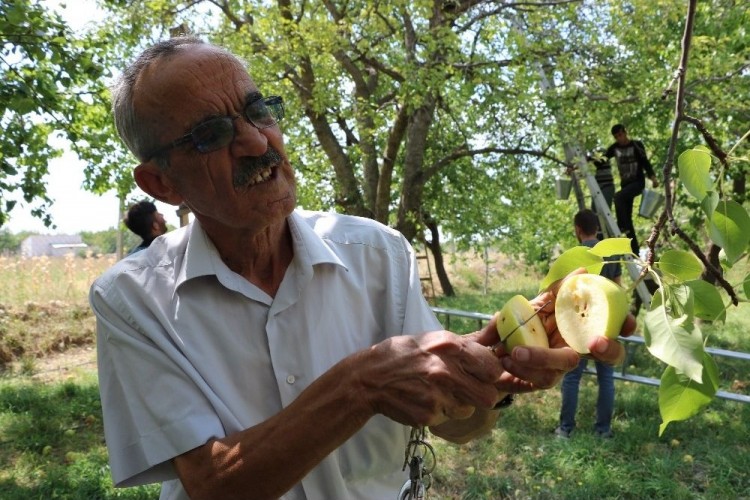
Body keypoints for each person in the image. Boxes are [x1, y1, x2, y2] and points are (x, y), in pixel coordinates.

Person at [90, 36, 635, 499]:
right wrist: (361, 384)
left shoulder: (378, 253)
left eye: (258, 111)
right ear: (161, 183)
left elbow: (454, 425)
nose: (258, 142)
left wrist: (493, 374)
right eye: (211, 134)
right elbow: (212, 484)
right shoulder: (132, 298)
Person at [555, 209, 624, 440]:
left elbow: (566, 292)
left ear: (578, 229)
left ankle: (566, 428)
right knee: (606, 378)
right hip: (607, 324)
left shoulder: (576, 254)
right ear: (597, 227)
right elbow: (618, 288)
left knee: (572, 377)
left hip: (579, 322)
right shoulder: (612, 254)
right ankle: (603, 430)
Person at [605, 124, 659, 255]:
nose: (619, 138)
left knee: (618, 197)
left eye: (621, 135)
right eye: (616, 137)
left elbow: (645, 162)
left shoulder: (636, 145)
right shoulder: (614, 148)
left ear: (625, 132)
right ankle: (635, 250)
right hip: (626, 185)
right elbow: (601, 158)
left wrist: (653, 178)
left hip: (637, 183)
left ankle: (620, 226)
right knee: (627, 218)